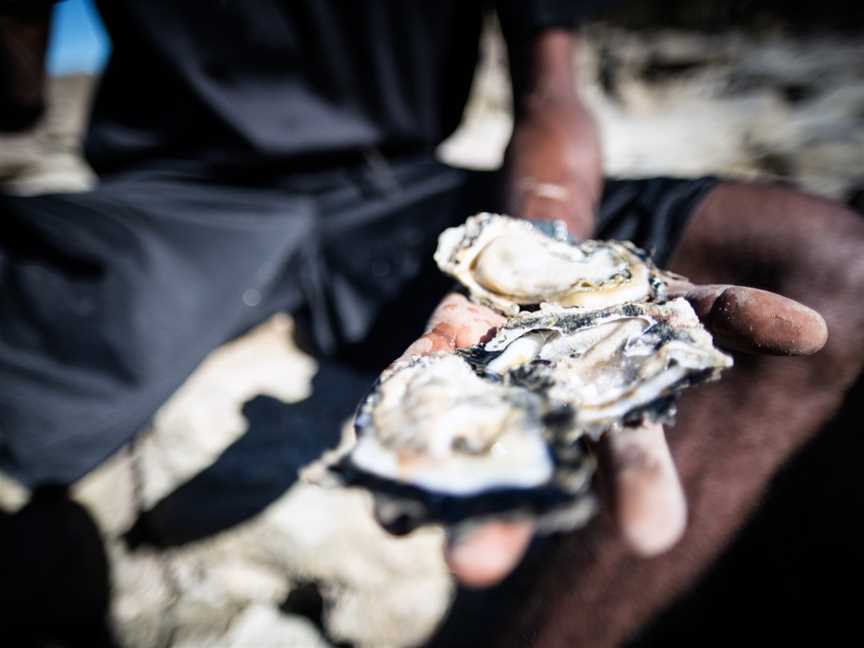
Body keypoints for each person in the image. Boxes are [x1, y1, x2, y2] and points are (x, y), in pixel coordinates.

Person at [1, 1, 863, 645]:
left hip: (402, 198)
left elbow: (550, 91)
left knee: (832, 270)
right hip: (176, 207)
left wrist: (546, 252)